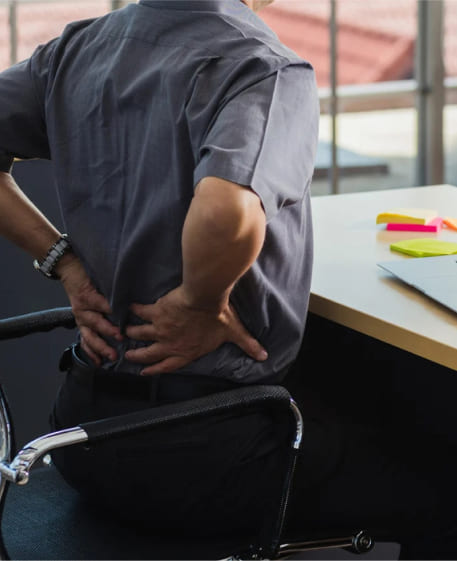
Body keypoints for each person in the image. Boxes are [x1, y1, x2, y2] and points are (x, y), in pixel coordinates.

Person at [1, 1, 457, 559]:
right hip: (204, 453)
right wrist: (199, 303)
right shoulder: (262, 68)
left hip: (79, 437)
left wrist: (62, 262)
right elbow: (224, 211)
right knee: (440, 482)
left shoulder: (77, 49)